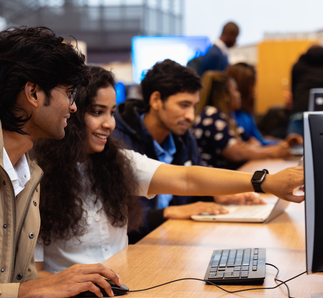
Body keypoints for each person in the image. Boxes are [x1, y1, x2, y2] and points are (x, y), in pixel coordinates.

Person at [34, 65, 303, 280]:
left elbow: (186, 178)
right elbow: (33, 273)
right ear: (70, 112)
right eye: (97, 112)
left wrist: (264, 182)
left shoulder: (116, 161)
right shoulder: (37, 176)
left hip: (121, 287)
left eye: (112, 112)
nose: (109, 124)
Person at [0, 26, 124, 298]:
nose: (73, 107)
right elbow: (21, 290)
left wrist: (56, 285)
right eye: (68, 93)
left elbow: (19, 285)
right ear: (33, 94)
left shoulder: (27, 169)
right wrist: (27, 292)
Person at [113, 59, 263, 243]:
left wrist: (218, 194)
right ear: (156, 100)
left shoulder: (183, 137)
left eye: (193, 106)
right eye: (184, 105)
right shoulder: (117, 141)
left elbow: (194, 182)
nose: (191, 116)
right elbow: (113, 218)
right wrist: (168, 213)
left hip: (173, 238)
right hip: (138, 247)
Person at [193, 71, 294, 170]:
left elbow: (252, 143)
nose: (238, 95)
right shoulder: (211, 114)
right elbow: (236, 153)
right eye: (235, 90)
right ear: (225, 95)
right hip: (209, 179)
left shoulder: (225, 118)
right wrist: (271, 153)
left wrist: (279, 145)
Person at [226, 62, 302, 147]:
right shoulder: (228, 118)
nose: (255, 92)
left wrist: (285, 143)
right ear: (242, 88)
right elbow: (255, 144)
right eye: (252, 86)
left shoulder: (246, 116)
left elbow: (259, 141)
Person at [287, 45, 323, 136]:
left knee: (294, 147)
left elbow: (294, 91)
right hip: (321, 112)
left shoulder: (298, 65)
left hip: (299, 111)